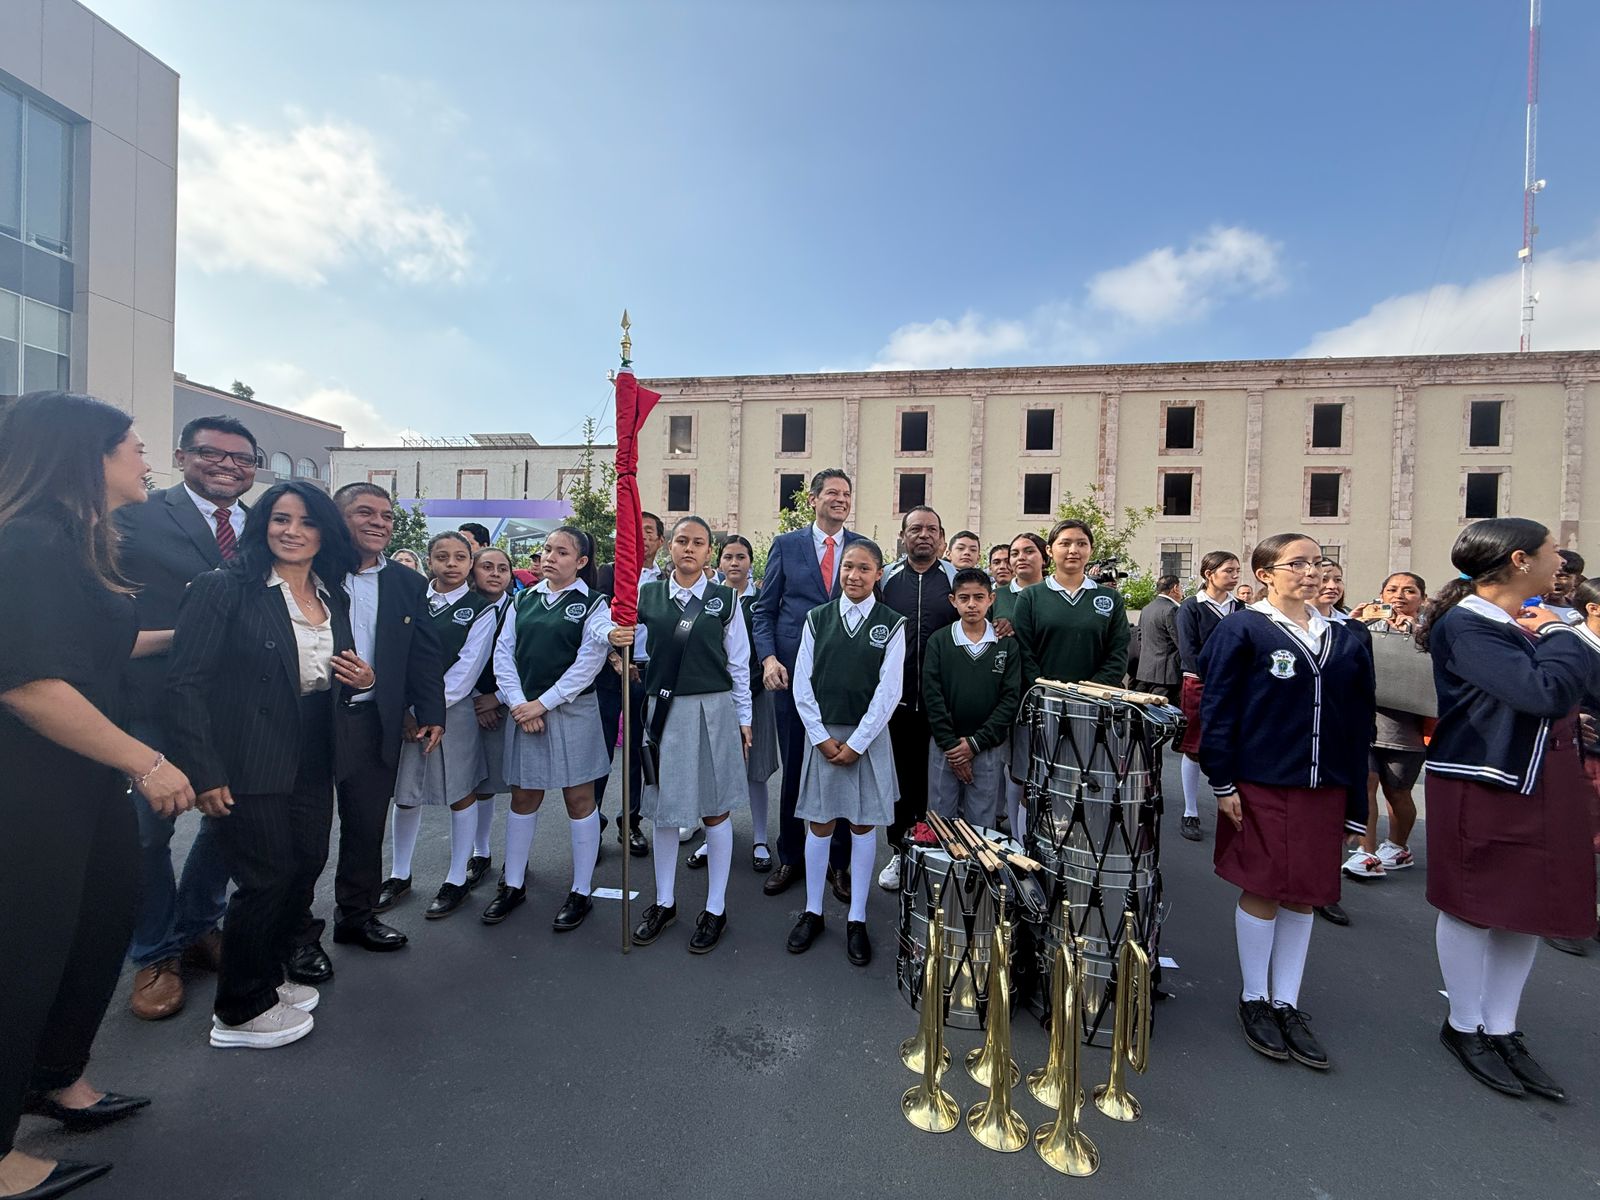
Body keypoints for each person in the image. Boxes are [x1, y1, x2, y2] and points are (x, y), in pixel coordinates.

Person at [0, 393, 192, 1200]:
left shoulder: (75, 547)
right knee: (24, 950)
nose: (148, 460)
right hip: (30, 786)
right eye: (135, 447)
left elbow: (100, 645)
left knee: (106, 911)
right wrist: (147, 762)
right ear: (90, 456)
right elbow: (33, 685)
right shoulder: (26, 543)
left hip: (84, 779)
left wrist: (195, 630)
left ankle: (56, 1077)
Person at [166, 481, 374, 1050]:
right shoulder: (224, 589)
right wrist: (204, 772)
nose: (292, 531)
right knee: (263, 878)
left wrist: (364, 680)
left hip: (314, 746)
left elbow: (332, 670)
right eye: (279, 518)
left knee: (305, 862)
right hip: (248, 752)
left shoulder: (334, 595)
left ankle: (269, 975)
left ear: (324, 533)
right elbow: (184, 685)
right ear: (261, 525)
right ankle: (238, 1010)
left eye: (306, 522)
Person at [1418, 518, 1595, 1101]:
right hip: (1485, 779)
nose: (1560, 565)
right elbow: (1542, 694)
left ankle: (1503, 1026)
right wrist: (1562, 635)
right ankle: (1464, 1024)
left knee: (1529, 905)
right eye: (1550, 555)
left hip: (1541, 778)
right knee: (1473, 903)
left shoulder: (1524, 621)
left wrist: (1557, 636)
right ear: (1520, 561)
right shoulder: (1469, 623)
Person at [1199, 532, 1374, 1071]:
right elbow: (1219, 706)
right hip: (1262, 780)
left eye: (1316, 562)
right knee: (1265, 885)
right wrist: (1222, 780)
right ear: (1267, 574)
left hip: (1324, 786)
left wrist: (1355, 804)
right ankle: (1255, 996)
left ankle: (1287, 1001)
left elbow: (1357, 720)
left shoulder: (1347, 636)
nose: (1311, 572)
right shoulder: (1244, 628)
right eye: (1296, 563)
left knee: (1306, 892)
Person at [112, 414, 255, 1021]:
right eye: (211, 454)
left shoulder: (266, 526)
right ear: (181, 455)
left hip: (238, 706)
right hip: (150, 700)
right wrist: (184, 637)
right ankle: (156, 951)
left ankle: (200, 923)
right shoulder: (135, 514)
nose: (227, 465)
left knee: (229, 820)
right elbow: (102, 610)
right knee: (149, 829)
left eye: (241, 458)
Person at [292, 484, 443, 980]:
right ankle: (296, 936)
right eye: (364, 512)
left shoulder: (406, 582)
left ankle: (356, 919)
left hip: (373, 721)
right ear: (338, 518)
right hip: (310, 722)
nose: (378, 522)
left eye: (386, 516)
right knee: (307, 839)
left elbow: (422, 652)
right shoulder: (309, 572)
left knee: (365, 828)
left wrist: (431, 710)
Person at [609, 517, 752, 953]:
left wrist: (745, 719)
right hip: (663, 712)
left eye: (699, 543)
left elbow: (740, 663)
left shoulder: (726, 599)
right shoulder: (645, 594)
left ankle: (715, 907)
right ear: (669, 547)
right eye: (682, 541)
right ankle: (664, 901)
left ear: (710, 552)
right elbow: (615, 634)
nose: (689, 549)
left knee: (715, 810)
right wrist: (616, 644)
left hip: (714, 709)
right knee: (666, 812)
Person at [484, 527, 614, 929]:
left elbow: (589, 660)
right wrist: (520, 703)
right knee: (524, 795)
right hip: (526, 709)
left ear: (581, 562)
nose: (550, 557)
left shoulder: (594, 604)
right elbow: (503, 654)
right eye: (546, 550)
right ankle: (514, 882)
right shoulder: (521, 601)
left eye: (562, 552)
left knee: (579, 798)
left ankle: (581, 889)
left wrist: (543, 702)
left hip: (571, 711)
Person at [786, 539, 905, 967]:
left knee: (861, 823)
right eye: (848, 568)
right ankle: (813, 910)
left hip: (866, 738)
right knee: (819, 822)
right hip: (824, 735)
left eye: (864, 568)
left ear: (878, 574)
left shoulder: (892, 624)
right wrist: (819, 736)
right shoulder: (818, 619)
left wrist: (858, 743)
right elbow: (803, 681)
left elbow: (890, 691)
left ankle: (856, 917)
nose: (854, 575)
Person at [752, 470, 861, 900]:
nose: (840, 499)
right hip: (793, 676)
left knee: (840, 770)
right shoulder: (786, 545)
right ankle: (791, 857)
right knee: (797, 766)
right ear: (813, 499)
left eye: (847, 494)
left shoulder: (859, 549)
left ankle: (838, 864)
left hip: (844, 682)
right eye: (832, 492)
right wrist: (769, 658)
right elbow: (764, 610)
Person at [384, 532, 503, 920]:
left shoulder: (480, 608)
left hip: (453, 711)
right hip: (407, 712)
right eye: (441, 556)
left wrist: (426, 709)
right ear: (429, 560)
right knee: (406, 792)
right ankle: (399, 873)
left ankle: (456, 878)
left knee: (460, 790)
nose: (451, 564)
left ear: (470, 563)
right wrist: (406, 707)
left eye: (459, 557)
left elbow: (467, 668)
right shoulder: (413, 599)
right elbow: (393, 654)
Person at [877, 506, 956, 891]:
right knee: (901, 780)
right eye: (915, 529)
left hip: (943, 703)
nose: (923, 535)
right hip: (896, 702)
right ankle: (899, 849)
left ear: (942, 537)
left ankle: (935, 850)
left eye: (931, 529)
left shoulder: (958, 580)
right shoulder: (887, 580)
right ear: (903, 536)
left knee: (937, 782)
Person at [687, 536, 777, 872]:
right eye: (728, 557)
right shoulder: (705, 599)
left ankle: (759, 839)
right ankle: (712, 840)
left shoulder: (762, 602)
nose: (735, 562)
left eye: (741, 556)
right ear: (718, 561)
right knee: (713, 771)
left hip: (755, 693)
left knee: (756, 771)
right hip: (714, 696)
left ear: (752, 561)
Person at [1345, 573, 1429, 880]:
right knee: (1365, 782)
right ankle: (1365, 852)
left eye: (1409, 590)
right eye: (1392, 589)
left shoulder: (1432, 631)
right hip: (1367, 719)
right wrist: (1352, 624)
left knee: (1398, 792)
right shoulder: (1367, 627)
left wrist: (1416, 633)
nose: (1400, 596)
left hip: (1408, 726)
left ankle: (1398, 846)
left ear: (1422, 597)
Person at [922, 569, 1021, 826]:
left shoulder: (1006, 644)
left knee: (981, 822)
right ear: (953, 600)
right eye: (964, 598)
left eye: (979, 597)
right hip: (946, 746)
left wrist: (976, 743)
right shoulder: (939, 641)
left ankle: (977, 868)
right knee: (941, 821)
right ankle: (946, 869)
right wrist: (953, 747)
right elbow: (932, 696)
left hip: (988, 746)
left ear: (991, 598)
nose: (972, 604)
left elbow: (1010, 699)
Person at [594, 511, 665, 857]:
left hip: (649, 674)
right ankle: (591, 823)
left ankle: (631, 821)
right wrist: (615, 657)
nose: (642, 537)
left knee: (639, 751)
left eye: (649, 532)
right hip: (611, 672)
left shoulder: (667, 580)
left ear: (660, 541)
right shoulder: (608, 573)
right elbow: (597, 621)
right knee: (601, 750)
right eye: (635, 531)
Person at [1174, 551, 1241, 843]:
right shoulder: (1191, 608)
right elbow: (1188, 650)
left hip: (1237, 687)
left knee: (1234, 746)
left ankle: (1231, 808)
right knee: (1195, 747)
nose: (1235, 576)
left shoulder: (1242, 609)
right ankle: (1190, 810)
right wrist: (1216, 675)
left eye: (1237, 571)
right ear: (1208, 573)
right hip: (1200, 683)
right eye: (1228, 570)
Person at [1553, 576, 1600, 956]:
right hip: (1584, 756)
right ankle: (1562, 917)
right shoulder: (1569, 644)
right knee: (1577, 838)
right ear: (1592, 608)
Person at [464, 547, 516, 886]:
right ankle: (480, 852)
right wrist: (474, 700)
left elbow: (528, 660)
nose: (495, 574)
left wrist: (496, 699)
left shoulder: (520, 608)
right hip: (465, 703)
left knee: (515, 786)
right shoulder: (462, 607)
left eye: (503, 568)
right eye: (487, 567)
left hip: (508, 704)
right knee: (476, 784)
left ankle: (517, 859)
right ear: (473, 572)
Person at [993, 531, 1047, 834]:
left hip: (1051, 690)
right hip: (1016, 693)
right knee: (1018, 770)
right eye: (1015, 553)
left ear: (1044, 556)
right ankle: (1018, 837)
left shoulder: (1054, 593)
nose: (1020, 558)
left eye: (1028, 551)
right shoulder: (998, 596)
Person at [1134, 575, 1184, 701]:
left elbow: (1140, 637)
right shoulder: (1171, 609)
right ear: (1175, 588)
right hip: (1167, 674)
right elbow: (1180, 641)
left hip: (1146, 671)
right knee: (1163, 715)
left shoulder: (1147, 608)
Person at [1541, 549, 1585, 623]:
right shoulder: (1525, 607)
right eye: (1548, 574)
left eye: (1561, 576)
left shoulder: (1582, 613)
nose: (1554, 581)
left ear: (1576, 580)